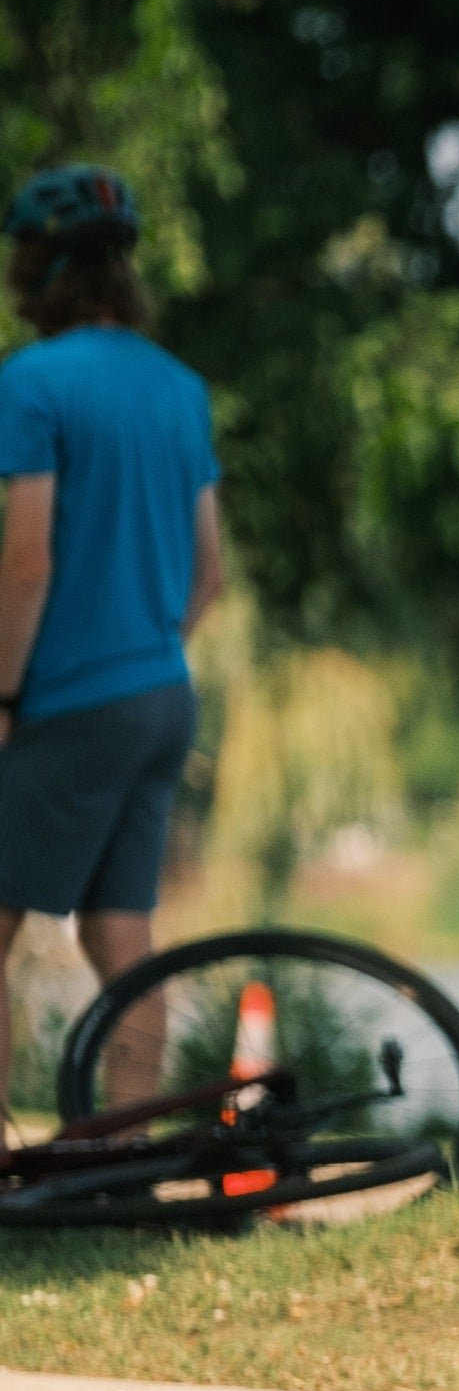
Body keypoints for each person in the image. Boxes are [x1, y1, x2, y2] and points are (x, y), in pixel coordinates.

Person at [0, 166, 224, 1113]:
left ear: (37, 270)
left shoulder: (31, 383)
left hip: (68, 698)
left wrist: (6, 696)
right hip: (163, 695)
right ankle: (131, 1150)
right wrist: (141, 649)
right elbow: (209, 572)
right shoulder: (179, 387)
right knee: (118, 932)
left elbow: (26, 563)